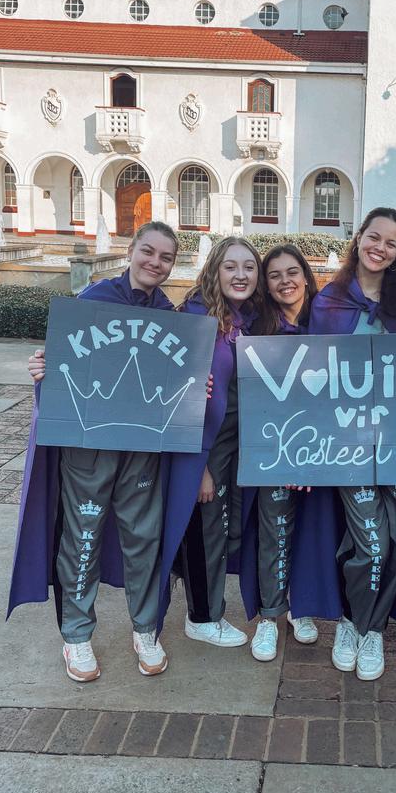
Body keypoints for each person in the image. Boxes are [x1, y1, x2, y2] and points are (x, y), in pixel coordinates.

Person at [9, 221, 179, 682]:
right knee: (83, 535)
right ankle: (77, 634)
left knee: (144, 538)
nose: (155, 263)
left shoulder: (171, 316)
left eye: (165, 257)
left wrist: (195, 386)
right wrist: (41, 367)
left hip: (142, 449)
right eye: (148, 251)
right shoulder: (92, 302)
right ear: (131, 250)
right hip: (89, 447)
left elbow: (175, 381)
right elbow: (58, 361)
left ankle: (145, 628)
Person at [309, 207, 396, 681]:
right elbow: (310, 373)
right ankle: (351, 620)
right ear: (359, 238)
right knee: (371, 542)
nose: (380, 248)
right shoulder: (328, 302)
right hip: (348, 445)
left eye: (391, 243)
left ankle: (373, 629)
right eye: (374, 237)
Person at [160, 237, 264, 650]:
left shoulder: (249, 319)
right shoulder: (194, 319)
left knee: (228, 529)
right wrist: (197, 466)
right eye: (230, 266)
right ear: (214, 270)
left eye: (249, 267)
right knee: (206, 531)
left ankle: (203, 601)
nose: (240, 275)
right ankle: (202, 616)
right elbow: (177, 398)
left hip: (238, 444)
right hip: (204, 446)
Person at [240, 243, 340, 661]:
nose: (285, 281)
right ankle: (270, 614)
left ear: (306, 276)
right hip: (273, 448)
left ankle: (302, 606)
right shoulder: (257, 326)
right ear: (266, 283)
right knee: (274, 530)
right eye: (275, 274)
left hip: (324, 449)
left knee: (313, 531)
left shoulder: (329, 320)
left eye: (292, 272)